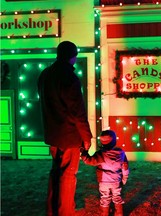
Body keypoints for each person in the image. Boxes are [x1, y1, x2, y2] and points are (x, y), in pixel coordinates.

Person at [38, 41, 93, 216]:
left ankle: (52, 209)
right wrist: (87, 137)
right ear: (72, 56)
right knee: (68, 175)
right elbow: (77, 111)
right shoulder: (69, 77)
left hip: (53, 134)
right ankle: (65, 211)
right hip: (69, 136)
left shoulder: (45, 74)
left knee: (55, 173)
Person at [81, 130, 130, 216]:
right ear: (114, 140)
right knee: (117, 197)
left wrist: (84, 152)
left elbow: (88, 160)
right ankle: (119, 213)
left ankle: (104, 213)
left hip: (104, 182)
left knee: (105, 198)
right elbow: (125, 167)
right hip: (116, 181)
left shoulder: (101, 154)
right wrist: (124, 178)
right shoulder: (121, 153)